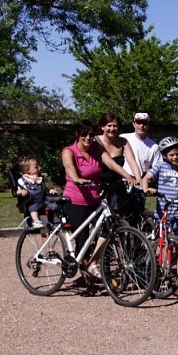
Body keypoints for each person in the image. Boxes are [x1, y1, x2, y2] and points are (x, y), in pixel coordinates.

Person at [61, 120, 138, 281]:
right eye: (84, 134)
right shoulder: (69, 151)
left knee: (107, 229)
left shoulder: (96, 148)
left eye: (90, 134)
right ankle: (84, 264)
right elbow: (69, 167)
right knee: (82, 237)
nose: (88, 138)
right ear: (77, 135)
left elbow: (109, 162)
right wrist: (76, 178)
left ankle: (92, 261)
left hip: (95, 198)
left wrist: (127, 176)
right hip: (75, 199)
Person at [142, 137, 178, 241]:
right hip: (162, 210)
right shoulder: (160, 166)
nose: (175, 157)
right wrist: (146, 190)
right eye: (172, 155)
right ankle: (158, 256)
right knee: (161, 239)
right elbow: (146, 178)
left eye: (177, 154)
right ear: (165, 156)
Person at [96, 111, 142, 217]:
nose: (112, 129)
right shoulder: (96, 141)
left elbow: (132, 161)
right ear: (102, 127)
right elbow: (110, 163)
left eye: (115, 126)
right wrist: (127, 176)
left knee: (119, 216)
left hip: (116, 185)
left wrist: (138, 180)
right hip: (99, 184)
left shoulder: (123, 142)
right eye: (109, 126)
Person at [15, 156, 59, 228]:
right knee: (33, 208)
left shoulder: (39, 179)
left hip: (43, 200)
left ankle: (54, 217)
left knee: (54, 206)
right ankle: (36, 221)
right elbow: (17, 191)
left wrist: (49, 190)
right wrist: (21, 191)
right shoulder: (23, 180)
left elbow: (44, 188)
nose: (39, 168)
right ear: (27, 171)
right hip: (32, 201)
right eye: (36, 167)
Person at [120, 112, 162, 178]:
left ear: (148, 125)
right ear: (134, 124)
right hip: (123, 179)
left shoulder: (154, 146)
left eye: (144, 123)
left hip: (142, 181)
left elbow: (158, 167)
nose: (141, 126)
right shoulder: (123, 138)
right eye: (139, 123)